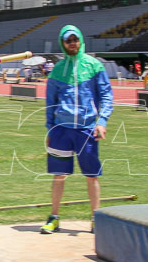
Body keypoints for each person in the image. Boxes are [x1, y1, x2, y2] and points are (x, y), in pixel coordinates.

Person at [42, 25, 113, 235]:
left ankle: (95, 218)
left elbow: (107, 95)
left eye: (75, 39)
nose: (72, 43)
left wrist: (102, 121)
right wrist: (49, 129)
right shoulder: (57, 69)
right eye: (68, 40)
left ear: (81, 40)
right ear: (62, 44)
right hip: (60, 130)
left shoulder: (93, 66)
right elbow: (50, 102)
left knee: (91, 175)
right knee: (58, 175)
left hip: (87, 129)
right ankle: (54, 217)